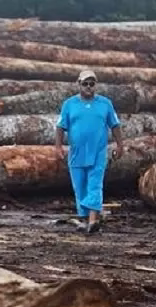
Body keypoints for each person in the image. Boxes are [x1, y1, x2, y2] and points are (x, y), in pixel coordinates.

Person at [54, 69, 124, 233]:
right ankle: (85, 219)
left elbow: (115, 125)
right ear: (79, 84)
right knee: (80, 186)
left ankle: (93, 220)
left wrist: (120, 145)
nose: (88, 87)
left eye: (92, 84)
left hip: (98, 152)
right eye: (85, 84)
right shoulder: (69, 104)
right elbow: (60, 127)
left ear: (96, 85)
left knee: (95, 185)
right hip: (77, 153)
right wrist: (58, 147)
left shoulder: (105, 103)